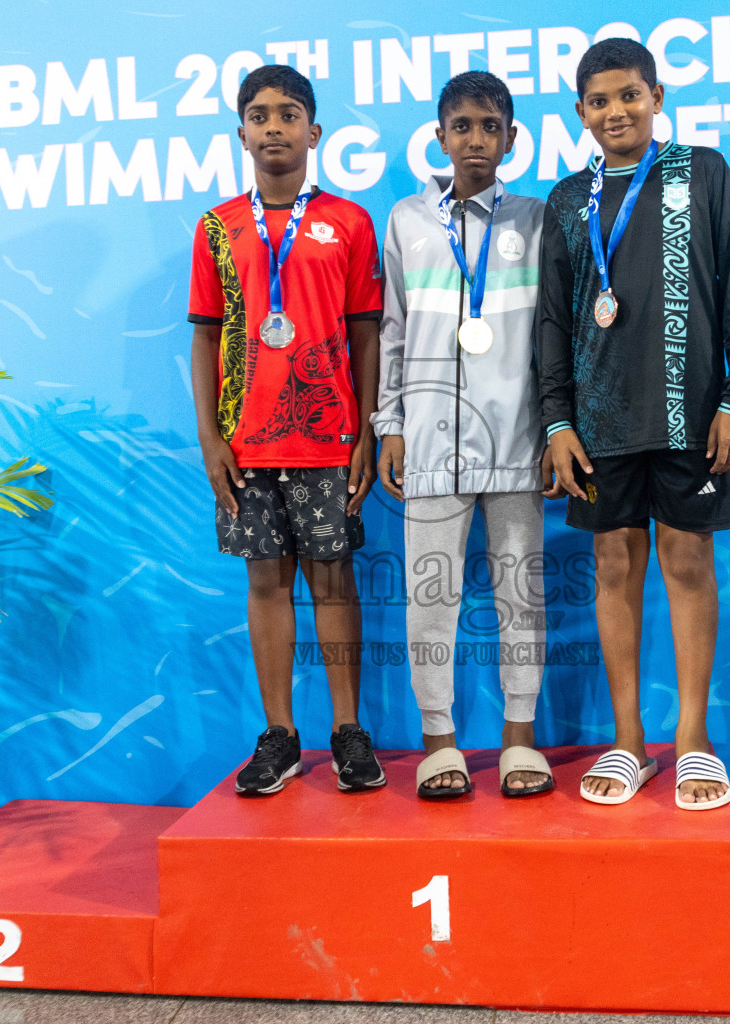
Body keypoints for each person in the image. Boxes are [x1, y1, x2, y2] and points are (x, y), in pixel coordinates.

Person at [536, 38, 730, 809]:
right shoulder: (568, 201)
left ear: (656, 96)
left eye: (629, 96)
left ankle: (693, 740)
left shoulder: (701, 172)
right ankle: (629, 740)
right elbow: (551, 323)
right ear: (580, 113)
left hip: (691, 414)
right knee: (613, 570)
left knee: (689, 564)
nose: (615, 112)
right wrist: (557, 423)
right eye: (598, 101)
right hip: (599, 424)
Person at [187, 64, 385, 796]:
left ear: (314, 131)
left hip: (330, 438)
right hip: (247, 444)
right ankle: (279, 734)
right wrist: (211, 438)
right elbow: (207, 339)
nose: (274, 126)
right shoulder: (218, 228)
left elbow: (365, 335)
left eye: (289, 113)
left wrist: (367, 426)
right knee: (265, 584)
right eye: (260, 114)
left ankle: (347, 732)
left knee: (334, 582)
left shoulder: (351, 223)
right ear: (241, 132)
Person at [374, 71, 552, 800]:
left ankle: (519, 740)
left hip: (517, 438)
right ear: (440, 137)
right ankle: (439, 740)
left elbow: (554, 338)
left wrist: (555, 429)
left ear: (511, 138)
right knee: (431, 594)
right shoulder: (407, 222)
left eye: (490, 127)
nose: (475, 140)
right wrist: (389, 424)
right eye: (462, 127)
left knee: (521, 592)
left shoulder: (538, 221)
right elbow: (391, 330)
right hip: (430, 443)